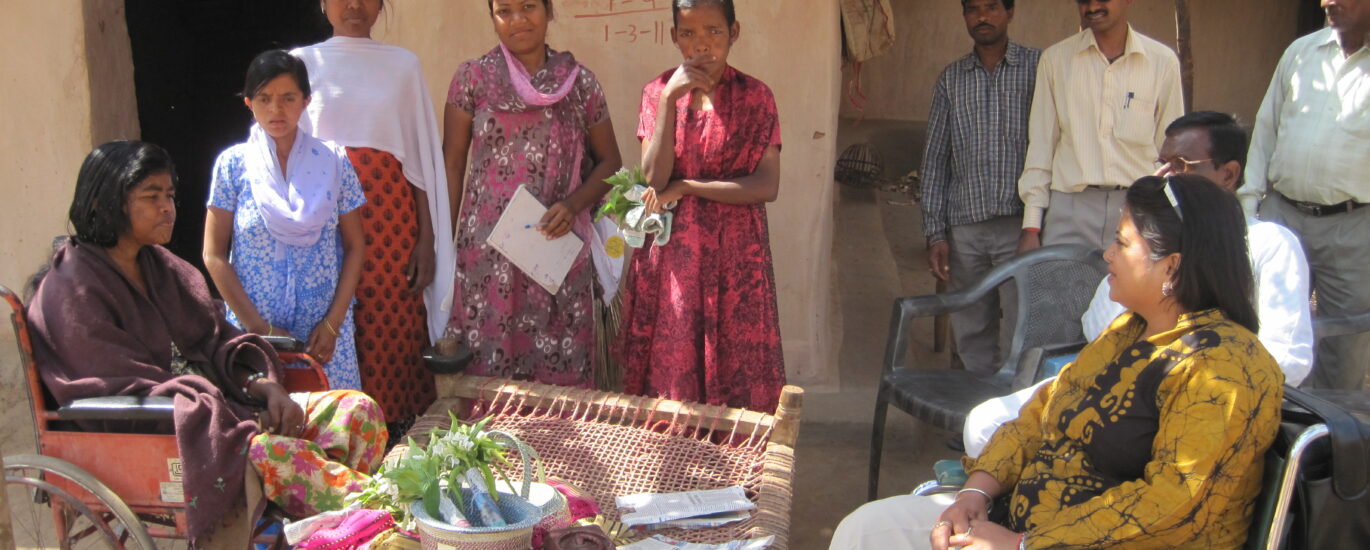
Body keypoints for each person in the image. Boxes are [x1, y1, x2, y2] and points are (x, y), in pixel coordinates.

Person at [832, 175, 1284, 550]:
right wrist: (976, 491)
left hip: (1065, 542)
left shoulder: (1224, 369)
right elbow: (1041, 416)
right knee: (864, 531)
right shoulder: (1128, 332)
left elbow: (1170, 506)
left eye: (1121, 244)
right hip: (1018, 524)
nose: (1107, 254)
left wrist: (1022, 544)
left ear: (1172, 268)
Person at [28, 141, 386, 547]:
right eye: (152, 196)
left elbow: (218, 337)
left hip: (229, 408)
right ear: (109, 202)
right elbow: (115, 385)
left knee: (358, 412)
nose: (168, 207)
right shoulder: (71, 288)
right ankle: (376, 514)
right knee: (281, 460)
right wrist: (222, 409)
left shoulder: (160, 267)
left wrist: (262, 385)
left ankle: (325, 531)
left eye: (170, 195)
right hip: (167, 430)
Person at [963, 111, 1313, 458]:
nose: (1165, 176)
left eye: (1180, 164)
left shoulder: (1269, 244)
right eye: (1161, 163)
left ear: (1229, 174)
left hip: (1201, 406)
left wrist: (1181, 379)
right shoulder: (1151, 233)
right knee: (986, 426)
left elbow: (1289, 360)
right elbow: (1097, 326)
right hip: (1119, 383)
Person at [615, 0, 786, 413]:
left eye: (713, 31)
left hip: (737, 257)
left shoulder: (756, 97)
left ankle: (736, 464)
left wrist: (689, 186)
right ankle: (674, 457)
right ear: (674, 36)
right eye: (688, 33)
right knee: (673, 365)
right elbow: (653, 181)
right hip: (674, 257)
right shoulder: (657, 93)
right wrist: (670, 102)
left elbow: (766, 185)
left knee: (735, 361)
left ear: (734, 33)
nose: (701, 45)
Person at [292, 0, 455, 424]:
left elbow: (418, 161)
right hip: (320, 224)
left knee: (391, 328)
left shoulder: (403, 66)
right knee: (327, 322)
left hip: (391, 222)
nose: (355, 5)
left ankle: (400, 442)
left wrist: (427, 238)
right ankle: (332, 438)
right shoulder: (300, 64)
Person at [443, 0, 622, 386]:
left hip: (555, 249)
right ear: (491, 17)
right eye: (504, 10)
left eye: (528, 6)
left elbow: (610, 164)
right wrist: (445, 242)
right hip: (487, 259)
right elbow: (453, 162)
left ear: (549, 10)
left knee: (559, 373)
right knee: (486, 374)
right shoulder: (472, 79)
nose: (518, 20)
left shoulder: (580, 84)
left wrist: (573, 205)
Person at [205, 50, 366, 390]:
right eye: (264, 98)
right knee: (265, 434)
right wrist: (260, 329)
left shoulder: (334, 162)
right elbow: (214, 255)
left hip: (324, 341)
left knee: (335, 429)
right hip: (255, 339)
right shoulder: (233, 166)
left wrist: (333, 325)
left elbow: (355, 246)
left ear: (306, 101)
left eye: (288, 97)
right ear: (249, 102)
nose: (276, 110)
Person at [1242, 0, 1370, 390]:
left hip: (1354, 229)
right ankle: (1267, 435)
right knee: (1262, 335)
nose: (1327, 1)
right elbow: (1266, 128)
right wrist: (1250, 207)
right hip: (1283, 218)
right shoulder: (1301, 52)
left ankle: (1325, 446)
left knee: (1344, 352)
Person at [920, 0, 1040, 373]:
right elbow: (935, 160)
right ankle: (972, 418)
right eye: (973, 9)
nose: (982, 17)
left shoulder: (1038, 68)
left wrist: (1040, 222)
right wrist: (935, 233)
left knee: (1024, 327)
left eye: (992, 7)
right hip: (966, 229)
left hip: (1019, 225)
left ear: (1010, 11)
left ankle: (1014, 420)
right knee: (971, 330)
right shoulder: (951, 80)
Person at [1016, 0, 1184, 252]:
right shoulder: (1055, 60)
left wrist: (1162, 211)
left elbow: (1169, 153)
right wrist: (1032, 226)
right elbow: (1041, 146)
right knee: (1064, 290)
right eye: (1084, 0)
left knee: (1129, 292)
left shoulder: (1162, 61)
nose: (1093, 6)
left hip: (1136, 209)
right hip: (1070, 209)